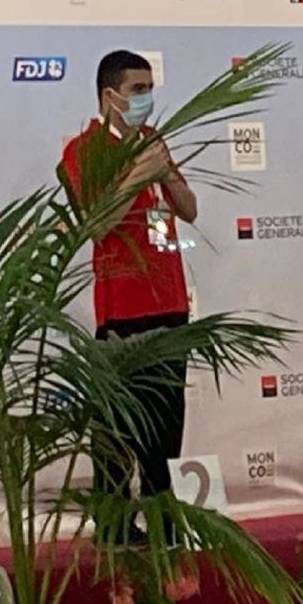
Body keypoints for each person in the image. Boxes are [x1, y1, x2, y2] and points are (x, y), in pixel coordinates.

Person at [59, 50, 197, 538]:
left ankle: (164, 525)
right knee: (118, 433)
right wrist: (138, 173)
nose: (147, 99)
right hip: (123, 313)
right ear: (108, 95)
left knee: (165, 430)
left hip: (171, 306)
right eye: (137, 90)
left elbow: (189, 209)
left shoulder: (153, 142)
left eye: (149, 89)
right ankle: (115, 529)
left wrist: (165, 173)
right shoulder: (83, 150)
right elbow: (98, 223)